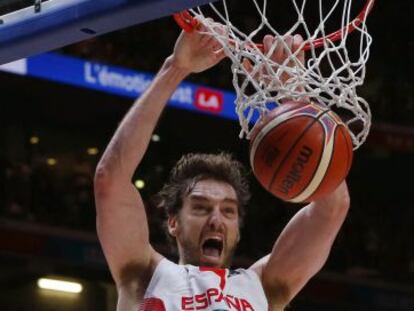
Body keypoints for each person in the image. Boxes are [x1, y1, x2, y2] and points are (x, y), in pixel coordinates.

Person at [94, 22, 350, 311]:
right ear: (173, 222)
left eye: (228, 210)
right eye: (201, 207)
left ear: (238, 229)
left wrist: (294, 95)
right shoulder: (145, 275)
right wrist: (176, 68)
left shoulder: (263, 287)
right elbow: (110, 180)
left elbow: (332, 208)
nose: (216, 219)